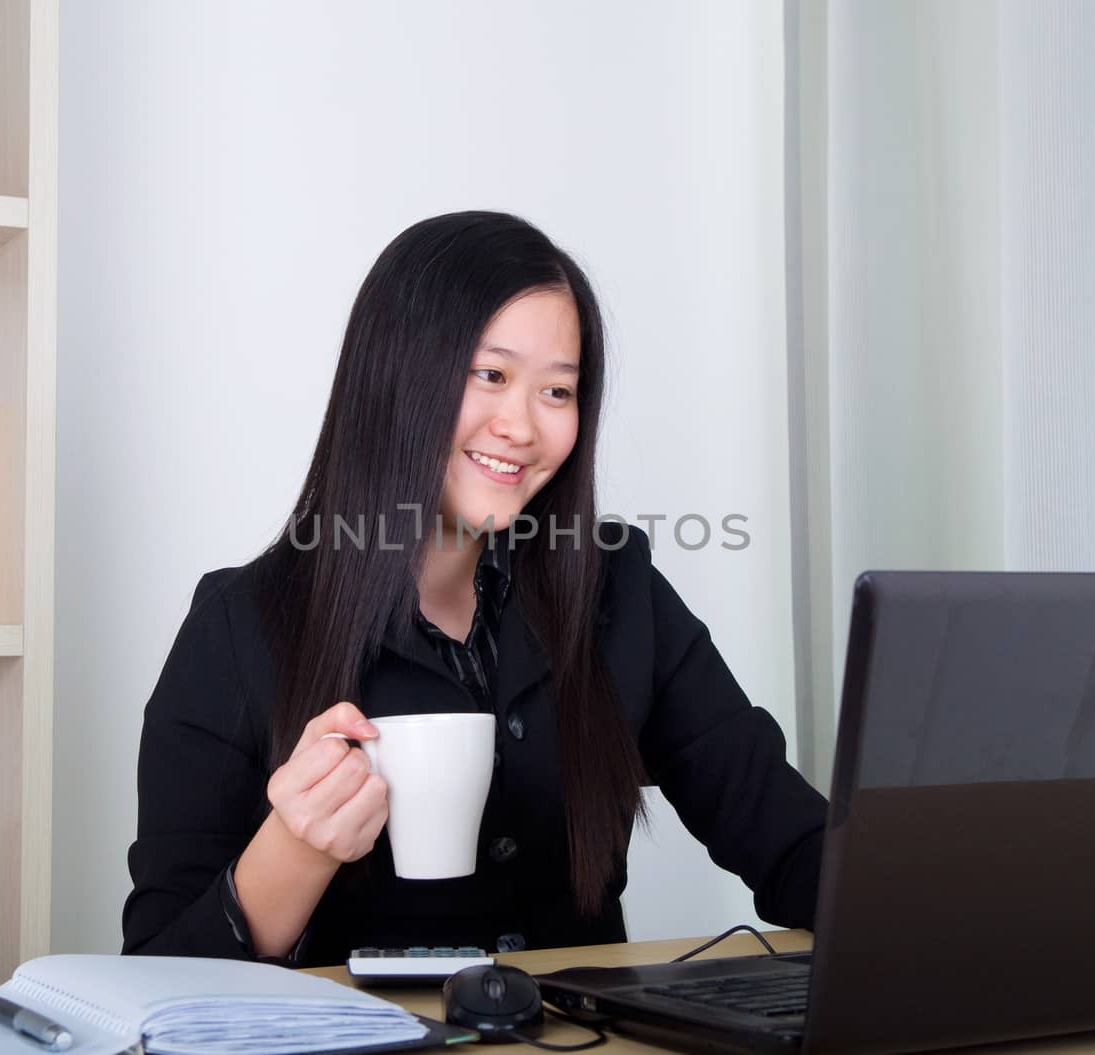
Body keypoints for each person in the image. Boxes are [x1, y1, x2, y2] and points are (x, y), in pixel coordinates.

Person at [122, 211, 827, 965]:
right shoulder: (240, 628)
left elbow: (788, 838)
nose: (522, 426)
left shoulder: (616, 588)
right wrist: (295, 846)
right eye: (490, 375)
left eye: (557, 392)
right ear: (395, 377)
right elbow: (162, 976)